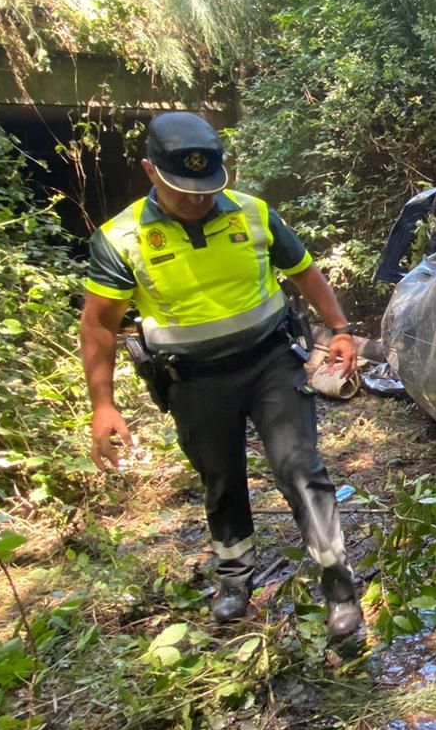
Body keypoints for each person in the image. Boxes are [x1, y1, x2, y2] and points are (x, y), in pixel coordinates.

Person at [78, 112, 365, 649]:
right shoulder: (121, 238)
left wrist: (340, 328)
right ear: (149, 171)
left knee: (301, 470)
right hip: (193, 380)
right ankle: (234, 578)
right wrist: (103, 404)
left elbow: (304, 270)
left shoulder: (254, 215)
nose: (197, 200)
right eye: (182, 190)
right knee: (221, 479)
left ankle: (340, 589)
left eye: (207, 189)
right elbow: (98, 325)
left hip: (271, 364)